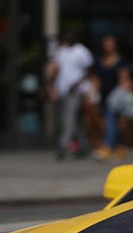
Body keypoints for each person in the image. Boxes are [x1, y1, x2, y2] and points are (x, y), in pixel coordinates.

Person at [47, 31, 94, 159]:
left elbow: (88, 69)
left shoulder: (82, 51)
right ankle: (84, 146)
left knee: (68, 118)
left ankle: (62, 146)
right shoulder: (62, 51)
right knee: (75, 121)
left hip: (76, 90)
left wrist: (78, 82)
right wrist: (51, 86)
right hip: (62, 90)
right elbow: (55, 69)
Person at [95, 71, 133, 161]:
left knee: (115, 130)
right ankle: (109, 148)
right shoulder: (120, 90)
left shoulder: (129, 94)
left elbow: (131, 108)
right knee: (112, 129)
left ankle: (115, 149)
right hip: (111, 111)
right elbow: (114, 103)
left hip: (119, 114)